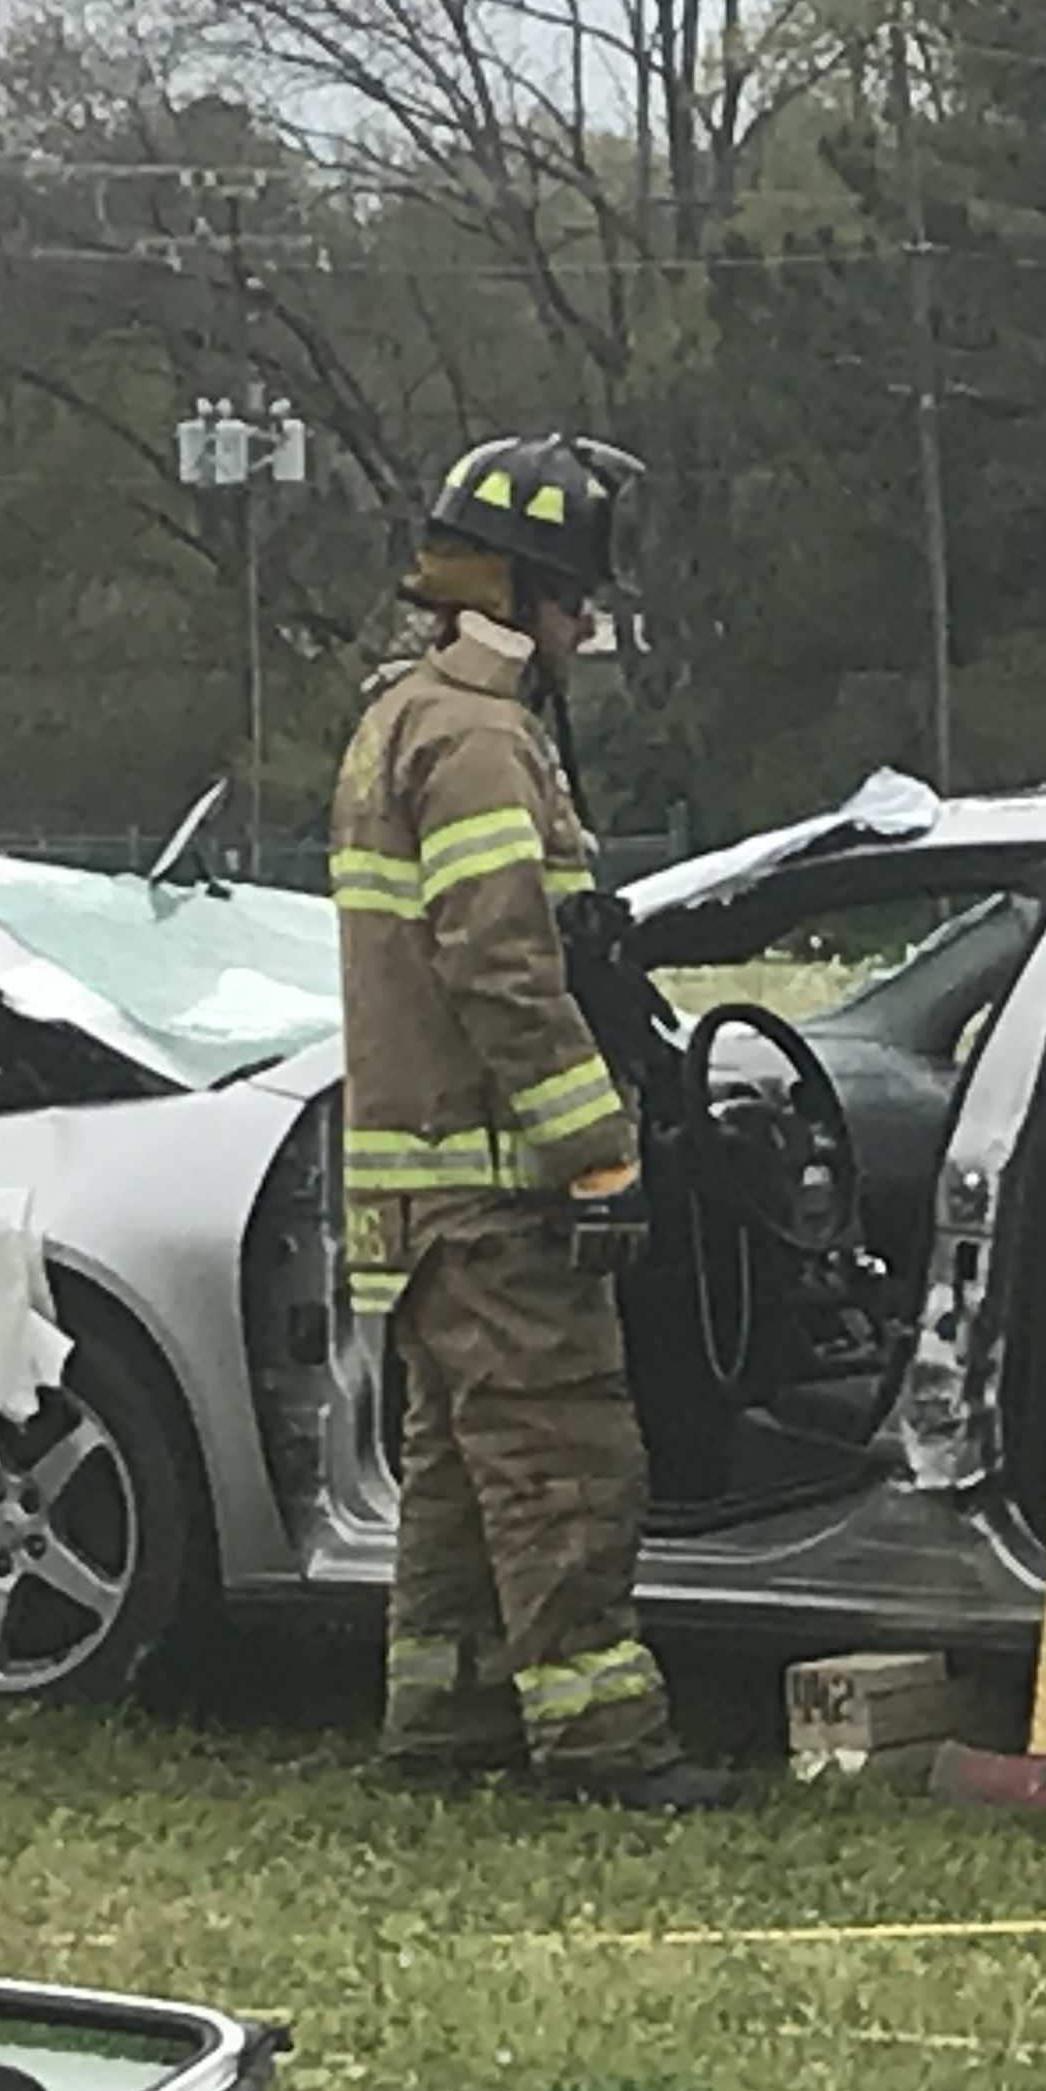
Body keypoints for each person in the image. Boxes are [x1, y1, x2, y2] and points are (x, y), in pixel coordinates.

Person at [329, 431, 746, 1811]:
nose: (587, 633)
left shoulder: (404, 717)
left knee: (460, 1476)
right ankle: (602, 1745)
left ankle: (447, 1720)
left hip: (421, 1193)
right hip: (497, 1186)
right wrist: (598, 1151)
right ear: (516, 595)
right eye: (575, 606)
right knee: (568, 1463)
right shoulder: (478, 738)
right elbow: (503, 963)